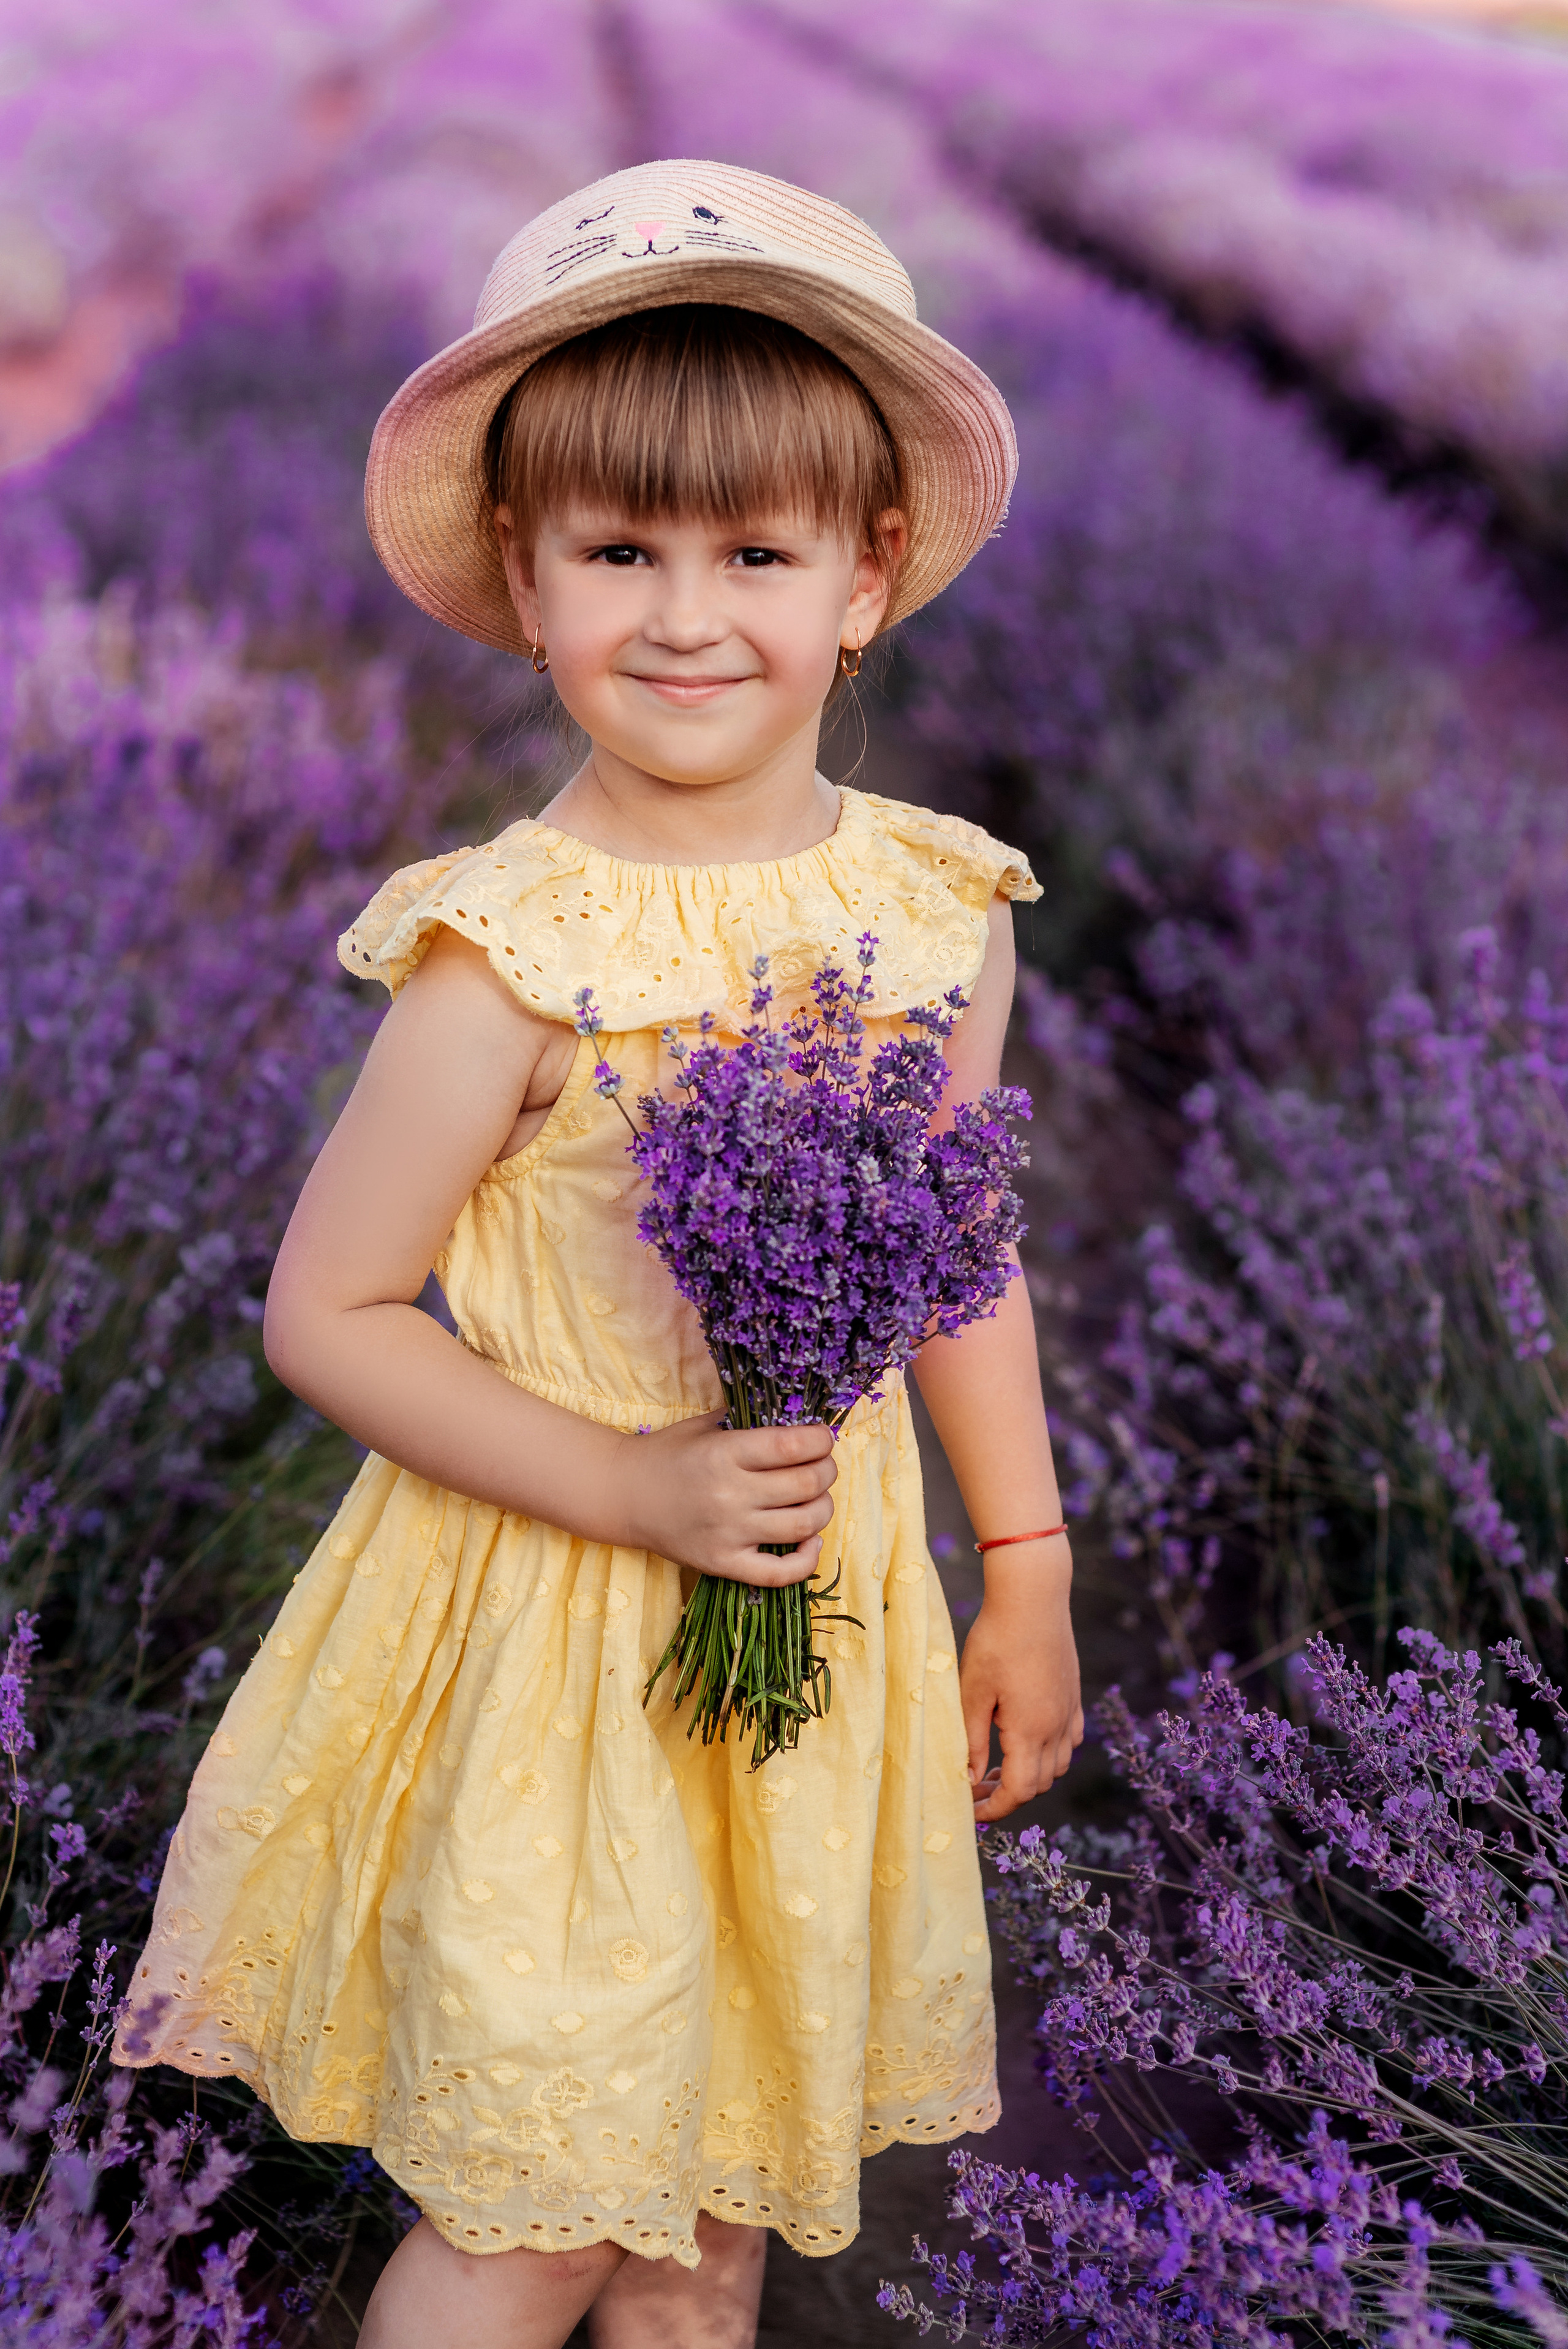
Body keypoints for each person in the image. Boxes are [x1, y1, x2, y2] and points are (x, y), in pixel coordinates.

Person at [113, 159, 1083, 2348]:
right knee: (546, 2202)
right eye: (618, 552)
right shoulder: (512, 950)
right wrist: (635, 1483)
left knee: (710, 2209)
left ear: (870, 577)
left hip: (818, 1621)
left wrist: (1019, 1561)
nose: (683, 613)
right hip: (570, 1628)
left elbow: (957, 1244)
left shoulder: (933, 910)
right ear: (525, 590)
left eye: (756, 552)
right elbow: (328, 1313)